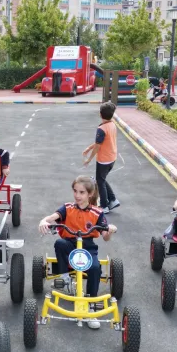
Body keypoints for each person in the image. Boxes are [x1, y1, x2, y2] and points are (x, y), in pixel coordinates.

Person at [38, 176, 117, 329]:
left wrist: (110, 230)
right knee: (59, 243)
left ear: (90, 194)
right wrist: (44, 221)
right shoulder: (67, 208)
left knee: (95, 268)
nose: (77, 195)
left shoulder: (97, 213)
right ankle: (65, 278)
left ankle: (91, 305)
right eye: (75, 191)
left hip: (87, 247)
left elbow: (106, 237)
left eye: (81, 192)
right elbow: (53, 217)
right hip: (70, 243)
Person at [82, 101, 120, 214]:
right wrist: (89, 148)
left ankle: (104, 206)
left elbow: (98, 146)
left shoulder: (102, 129)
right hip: (112, 157)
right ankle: (113, 200)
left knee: (100, 181)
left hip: (104, 159)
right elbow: (101, 142)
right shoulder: (112, 125)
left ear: (100, 114)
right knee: (101, 179)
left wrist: (89, 159)